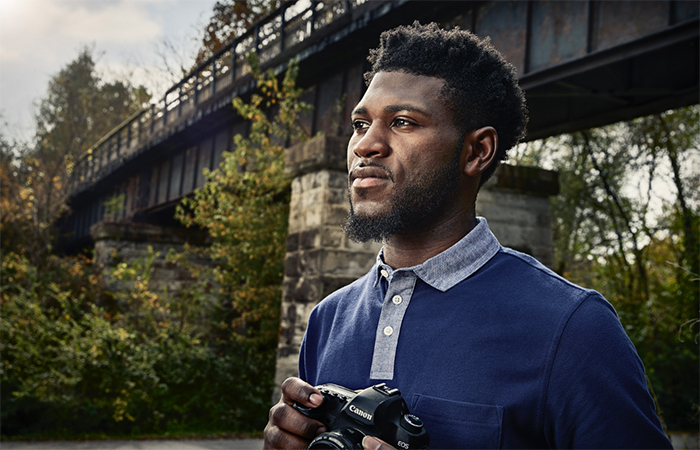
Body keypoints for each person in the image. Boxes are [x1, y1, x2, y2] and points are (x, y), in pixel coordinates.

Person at [263, 22, 672, 449]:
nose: (366, 145)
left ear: (477, 151)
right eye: (360, 124)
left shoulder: (574, 328)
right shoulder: (327, 319)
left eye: (402, 122)